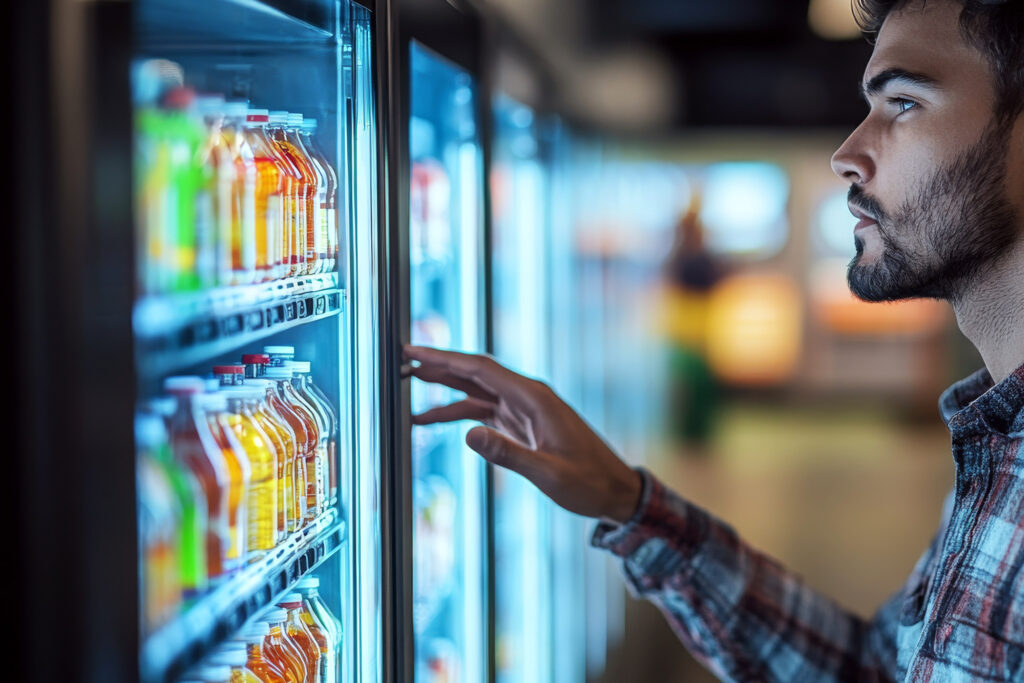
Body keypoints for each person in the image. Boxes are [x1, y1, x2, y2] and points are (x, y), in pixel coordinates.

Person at [405, 0, 1024, 679]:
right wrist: (627, 501)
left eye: (903, 103)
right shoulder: (993, 444)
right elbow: (875, 669)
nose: (847, 156)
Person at [661, 201, 725, 449]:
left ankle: (691, 430)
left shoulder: (678, 254)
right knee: (697, 381)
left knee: (691, 381)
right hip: (695, 322)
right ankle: (696, 430)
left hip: (687, 321)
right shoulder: (696, 254)